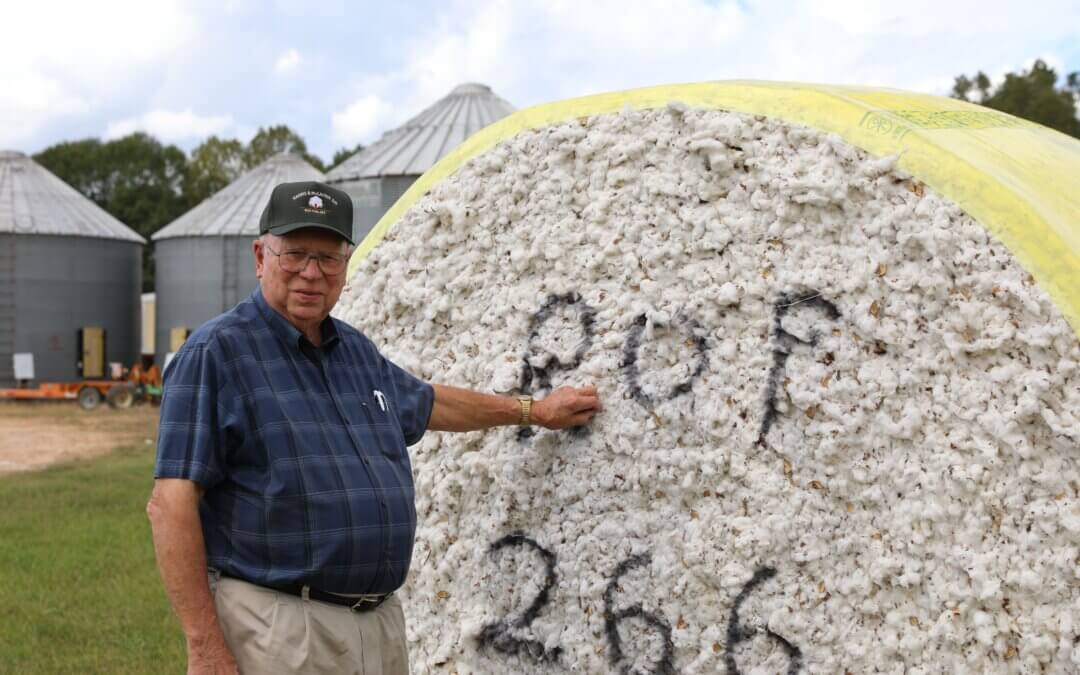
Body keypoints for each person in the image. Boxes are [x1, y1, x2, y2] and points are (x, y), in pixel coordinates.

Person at [146, 181, 602, 675]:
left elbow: (431, 404)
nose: (311, 273)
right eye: (295, 254)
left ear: (346, 264)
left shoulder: (354, 353)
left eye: (329, 258)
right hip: (279, 628)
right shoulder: (217, 354)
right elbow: (170, 505)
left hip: (377, 625)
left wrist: (535, 411)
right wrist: (205, 645)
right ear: (261, 255)